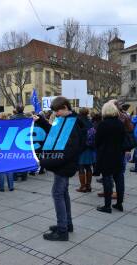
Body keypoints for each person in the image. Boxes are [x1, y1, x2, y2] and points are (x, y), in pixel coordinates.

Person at [40, 96, 83, 241]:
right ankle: (67, 224)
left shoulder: (72, 123)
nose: (56, 114)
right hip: (62, 164)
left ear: (65, 107)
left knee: (57, 194)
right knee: (63, 194)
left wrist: (46, 162)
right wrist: (41, 121)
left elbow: (68, 151)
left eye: (57, 111)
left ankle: (62, 230)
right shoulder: (65, 120)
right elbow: (54, 133)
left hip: (63, 166)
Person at [95, 102, 125, 213]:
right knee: (119, 179)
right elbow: (123, 139)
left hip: (106, 155)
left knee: (107, 179)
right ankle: (119, 203)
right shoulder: (120, 123)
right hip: (118, 154)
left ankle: (107, 206)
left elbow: (97, 141)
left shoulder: (103, 124)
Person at [76, 108, 95, 193]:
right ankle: (88, 186)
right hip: (89, 147)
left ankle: (83, 187)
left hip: (81, 147)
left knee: (81, 167)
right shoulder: (90, 121)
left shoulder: (77, 121)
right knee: (88, 167)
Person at [0, 113, 14, 192]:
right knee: (9, 167)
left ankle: (1, 187)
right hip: (9, 148)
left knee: (1, 168)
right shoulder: (11, 126)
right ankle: (11, 186)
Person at [10, 105, 29, 181]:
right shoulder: (27, 118)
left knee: (15, 158)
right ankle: (24, 176)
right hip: (24, 141)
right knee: (24, 158)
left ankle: (15, 176)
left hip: (15, 141)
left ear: (17, 110)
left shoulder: (12, 118)